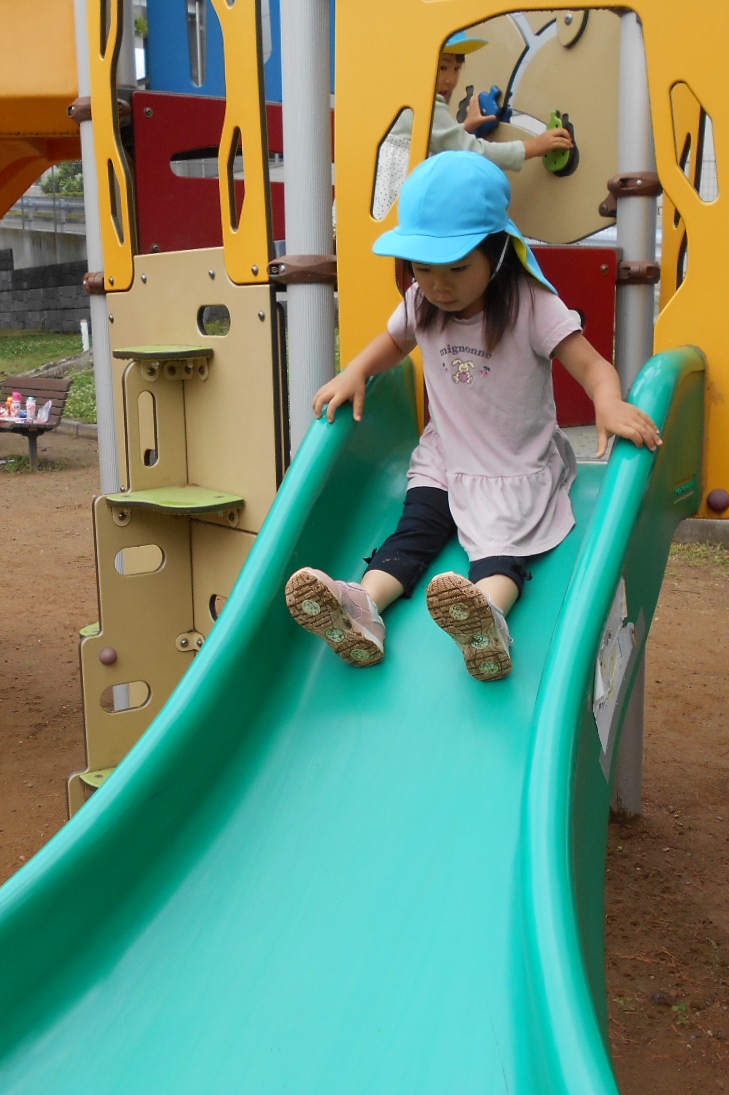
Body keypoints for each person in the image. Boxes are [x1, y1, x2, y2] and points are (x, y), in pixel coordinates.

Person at [285, 152, 660, 681]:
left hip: (513, 464)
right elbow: (394, 342)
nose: (440, 285)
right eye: (423, 269)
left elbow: (593, 366)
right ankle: (364, 608)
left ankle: (488, 620)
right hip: (445, 456)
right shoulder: (422, 302)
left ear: (498, 250)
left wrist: (609, 401)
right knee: (413, 533)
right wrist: (357, 371)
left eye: (457, 268)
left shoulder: (532, 306)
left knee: (499, 553)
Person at [372, 32, 574, 218]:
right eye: (443, 67)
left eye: (457, 69)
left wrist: (465, 127)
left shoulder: (405, 99)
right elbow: (474, 151)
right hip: (397, 209)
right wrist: (534, 146)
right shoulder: (427, 105)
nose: (450, 80)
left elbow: (435, 140)